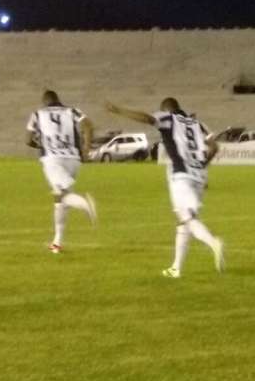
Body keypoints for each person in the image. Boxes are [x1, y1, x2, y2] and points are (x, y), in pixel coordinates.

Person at [104, 97, 224, 278]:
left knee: (188, 219)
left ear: (166, 109)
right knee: (184, 221)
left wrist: (119, 110)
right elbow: (214, 147)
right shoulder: (198, 124)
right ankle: (176, 268)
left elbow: (147, 119)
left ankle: (213, 243)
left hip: (181, 176)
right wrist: (201, 165)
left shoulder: (169, 118)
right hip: (199, 177)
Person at [25, 90, 97, 254]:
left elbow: (28, 140)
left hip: (53, 159)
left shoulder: (37, 114)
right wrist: (86, 149)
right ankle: (57, 243)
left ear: (44, 102)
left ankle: (85, 204)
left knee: (63, 197)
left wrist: (40, 145)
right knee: (60, 202)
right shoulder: (73, 111)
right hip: (73, 160)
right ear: (58, 100)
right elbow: (88, 125)